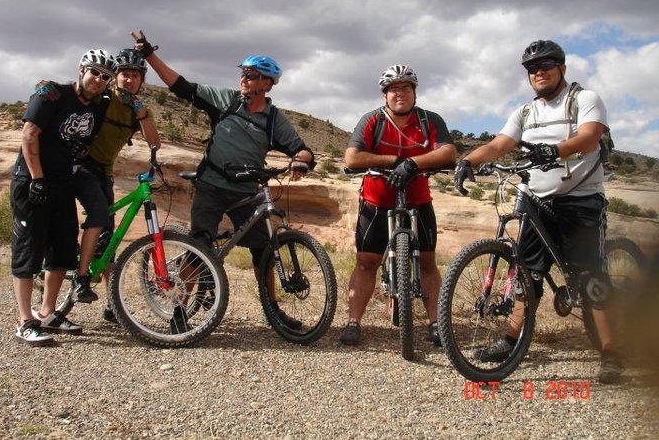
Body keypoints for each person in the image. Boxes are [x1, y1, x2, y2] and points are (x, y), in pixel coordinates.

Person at [454, 39, 621, 383]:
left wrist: (554, 150)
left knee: (590, 277)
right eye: (532, 69)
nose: (538, 72)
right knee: (525, 273)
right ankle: (512, 338)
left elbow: (590, 137)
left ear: (562, 67)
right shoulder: (526, 112)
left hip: (579, 200)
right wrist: (468, 161)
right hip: (537, 200)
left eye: (545, 65)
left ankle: (611, 351)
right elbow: (500, 145)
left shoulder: (584, 99)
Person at [132, 30, 315, 331]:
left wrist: (302, 161)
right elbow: (182, 87)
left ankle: (273, 312)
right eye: (243, 73)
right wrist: (150, 55)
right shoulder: (225, 101)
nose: (244, 79)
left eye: (252, 75)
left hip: (246, 191)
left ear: (268, 83)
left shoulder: (272, 119)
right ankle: (180, 312)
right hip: (212, 186)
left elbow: (301, 148)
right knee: (200, 245)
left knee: (263, 254)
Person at [340, 65, 457, 346]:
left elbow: (449, 152)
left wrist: (414, 164)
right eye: (393, 88)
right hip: (377, 200)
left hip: (418, 199)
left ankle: (435, 323)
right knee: (367, 262)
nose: (399, 93)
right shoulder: (372, 120)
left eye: (406, 87)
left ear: (415, 92)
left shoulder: (430, 120)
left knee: (428, 263)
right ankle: (353, 322)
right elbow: (351, 158)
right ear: (385, 95)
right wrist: (392, 161)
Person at [10, 49, 117, 345]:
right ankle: (25, 321)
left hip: (63, 183)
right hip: (32, 181)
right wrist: (37, 178)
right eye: (94, 72)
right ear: (81, 69)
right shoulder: (52, 94)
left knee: (61, 250)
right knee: (29, 249)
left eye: (105, 76)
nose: (98, 79)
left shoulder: (96, 107)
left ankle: (47, 313)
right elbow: (29, 134)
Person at [70, 48, 161, 322]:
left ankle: (112, 304)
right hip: (81, 167)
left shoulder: (136, 109)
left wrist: (142, 113)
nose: (129, 80)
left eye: (135, 76)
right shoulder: (103, 98)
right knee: (95, 216)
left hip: (104, 172)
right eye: (124, 75)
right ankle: (81, 277)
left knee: (109, 237)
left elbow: (154, 141)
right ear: (116, 76)